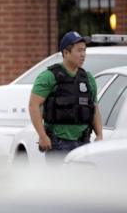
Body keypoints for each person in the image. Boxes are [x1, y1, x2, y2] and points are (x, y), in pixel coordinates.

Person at [29, 31, 103, 164]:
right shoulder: (48, 76)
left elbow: (94, 108)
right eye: (79, 50)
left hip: (84, 143)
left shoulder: (88, 78)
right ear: (66, 52)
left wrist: (99, 135)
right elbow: (34, 105)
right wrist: (42, 135)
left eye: (84, 50)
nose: (83, 54)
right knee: (60, 184)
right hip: (58, 144)